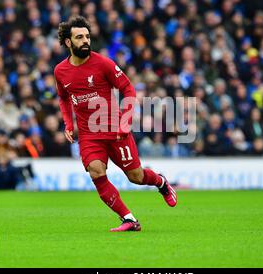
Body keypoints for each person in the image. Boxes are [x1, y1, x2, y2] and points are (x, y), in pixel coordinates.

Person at [54, 16, 177, 232]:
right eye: (79, 37)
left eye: (87, 37)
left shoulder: (103, 63)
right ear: (68, 42)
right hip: (89, 134)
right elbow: (63, 97)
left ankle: (161, 183)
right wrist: (68, 123)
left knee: (136, 177)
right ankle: (129, 219)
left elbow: (128, 89)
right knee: (96, 172)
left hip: (115, 130)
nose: (85, 41)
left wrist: (125, 121)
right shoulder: (60, 71)